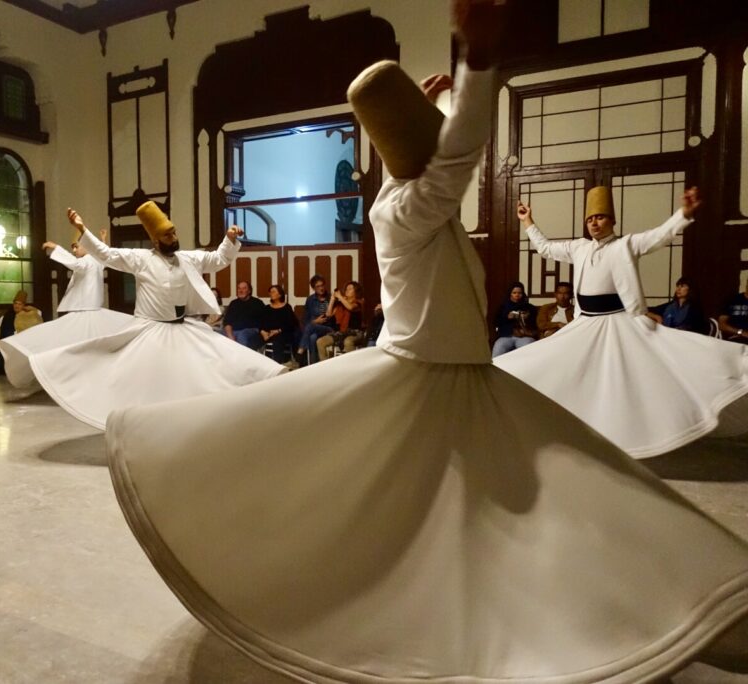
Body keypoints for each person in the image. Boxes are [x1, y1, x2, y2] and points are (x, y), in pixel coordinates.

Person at [102, 5, 748, 681]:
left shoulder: (399, 199)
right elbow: (461, 152)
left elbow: (431, 163)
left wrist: (419, 109)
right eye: (427, 141)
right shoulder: (409, 207)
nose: (443, 154)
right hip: (426, 380)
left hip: (460, 380)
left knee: (559, 499)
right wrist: (477, 59)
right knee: (421, 518)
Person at [496, 186, 748, 457]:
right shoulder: (579, 248)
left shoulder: (626, 245)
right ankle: (577, 435)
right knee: (555, 367)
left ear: (612, 221)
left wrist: (683, 214)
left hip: (619, 323)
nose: (595, 222)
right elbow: (545, 248)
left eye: (601, 217)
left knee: (631, 379)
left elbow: (658, 236)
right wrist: (527, 221)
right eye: (591, 219)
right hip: (586, 325)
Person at [23, 201, 284, 430]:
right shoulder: (141, 259)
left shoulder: (187, 259)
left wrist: (229, 239)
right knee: (144, 382)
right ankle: (142, 425)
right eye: (168, 235)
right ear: (156, 241)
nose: (174, 236)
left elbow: (217, 260)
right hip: (150, 330)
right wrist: (82, 229)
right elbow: (107, 254)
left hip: (182, 329)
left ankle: (200, 419)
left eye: (174, 231)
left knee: (211, 366)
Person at [0, 234, 132, 388]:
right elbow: (100, 256)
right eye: (72, 247)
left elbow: (76, 263)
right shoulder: (95, 261)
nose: (74, 250)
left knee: (72, 344)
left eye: (76, 246)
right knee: (83, 346)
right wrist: (102, 242)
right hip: (86, 312)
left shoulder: (87, 262)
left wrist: (56, 248)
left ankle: (79, 377)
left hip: (86, 312)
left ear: (87, 247)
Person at [0, 290, 42, 377]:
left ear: (23, 305)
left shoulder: (29, 314)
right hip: (12, 339)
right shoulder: (8, 315)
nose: (17, 306)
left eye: (19, 304)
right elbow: (5, 332)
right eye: (15, 303)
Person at [316, 281, 366, 360]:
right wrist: (332, 300)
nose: (347, 290)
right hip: (341, 333)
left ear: (356, 291)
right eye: (346, 289)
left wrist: (340, 296)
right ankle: (325, 367)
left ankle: (350, 368)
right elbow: (328, 314)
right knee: (320, 341)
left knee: (348, 341)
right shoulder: (341, 304)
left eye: (350, 289)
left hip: (355, 332)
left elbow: (350, 307)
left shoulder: (358, 303)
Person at [295, 274, 335, 364]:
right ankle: (314, 364)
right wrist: (315, 321)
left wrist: (315, 322)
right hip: (315, 329)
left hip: (329, 328)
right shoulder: (310, 299)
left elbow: (331, 316)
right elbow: (305, 319)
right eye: (318, 286)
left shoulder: (331, 298)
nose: (321, 288)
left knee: (310, 326)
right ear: (313, 288)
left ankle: (300, 352)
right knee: (313, 337)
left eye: (322, 285)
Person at [491, 281, 538, 356]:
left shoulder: (529, 307)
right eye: (514, 293)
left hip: (524, 336)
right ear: (510, 293)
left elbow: (536, 323)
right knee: (498, 348)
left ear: (523, 294)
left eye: (519, 293)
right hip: (507, 336)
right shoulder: (503, 307)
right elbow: (496, 322)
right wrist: (507, 317)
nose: (517, 295)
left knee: (528, 348)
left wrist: (527, 317)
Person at [259, 284, 299, 364]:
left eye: (273, 292)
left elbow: (291, 324)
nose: (271, 293)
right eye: (270, 292)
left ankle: (278, 365)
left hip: (283, 333)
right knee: (255, 339)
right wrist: (263, 332)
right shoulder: (267, 308)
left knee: (278, 340)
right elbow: (261, 323)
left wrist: (278, 330)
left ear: (280, 294)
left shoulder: (287, 307)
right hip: (269, 334)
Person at [222, 280, 266, 348]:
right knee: (215, 332)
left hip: (251, 330)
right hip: (233, 331)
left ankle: (242, 358)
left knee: (242, 334)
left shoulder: (257, 303)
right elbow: (227, 322)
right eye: (239, 288)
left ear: (249, 291)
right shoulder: (233, 303)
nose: (241, 290)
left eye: (244, 288)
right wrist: (230, 336)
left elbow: (263, 321)